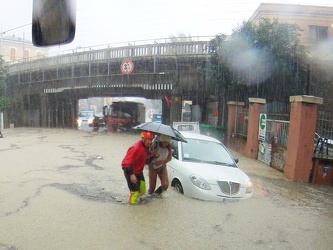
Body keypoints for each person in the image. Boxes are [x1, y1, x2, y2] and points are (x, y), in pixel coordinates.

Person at [121, 131, 154, 204]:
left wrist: (152, 156)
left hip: (139, 172)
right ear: (143, 139)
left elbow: (145, 161)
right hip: (130, 171)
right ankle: (132, 208)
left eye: (151, 140)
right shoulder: (135, 148)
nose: (150, 142)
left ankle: (137, 202)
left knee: (142, 190)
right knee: (135, 192)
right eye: (148, 140)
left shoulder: (146, 148)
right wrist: (131, 174)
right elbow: (125, 163)